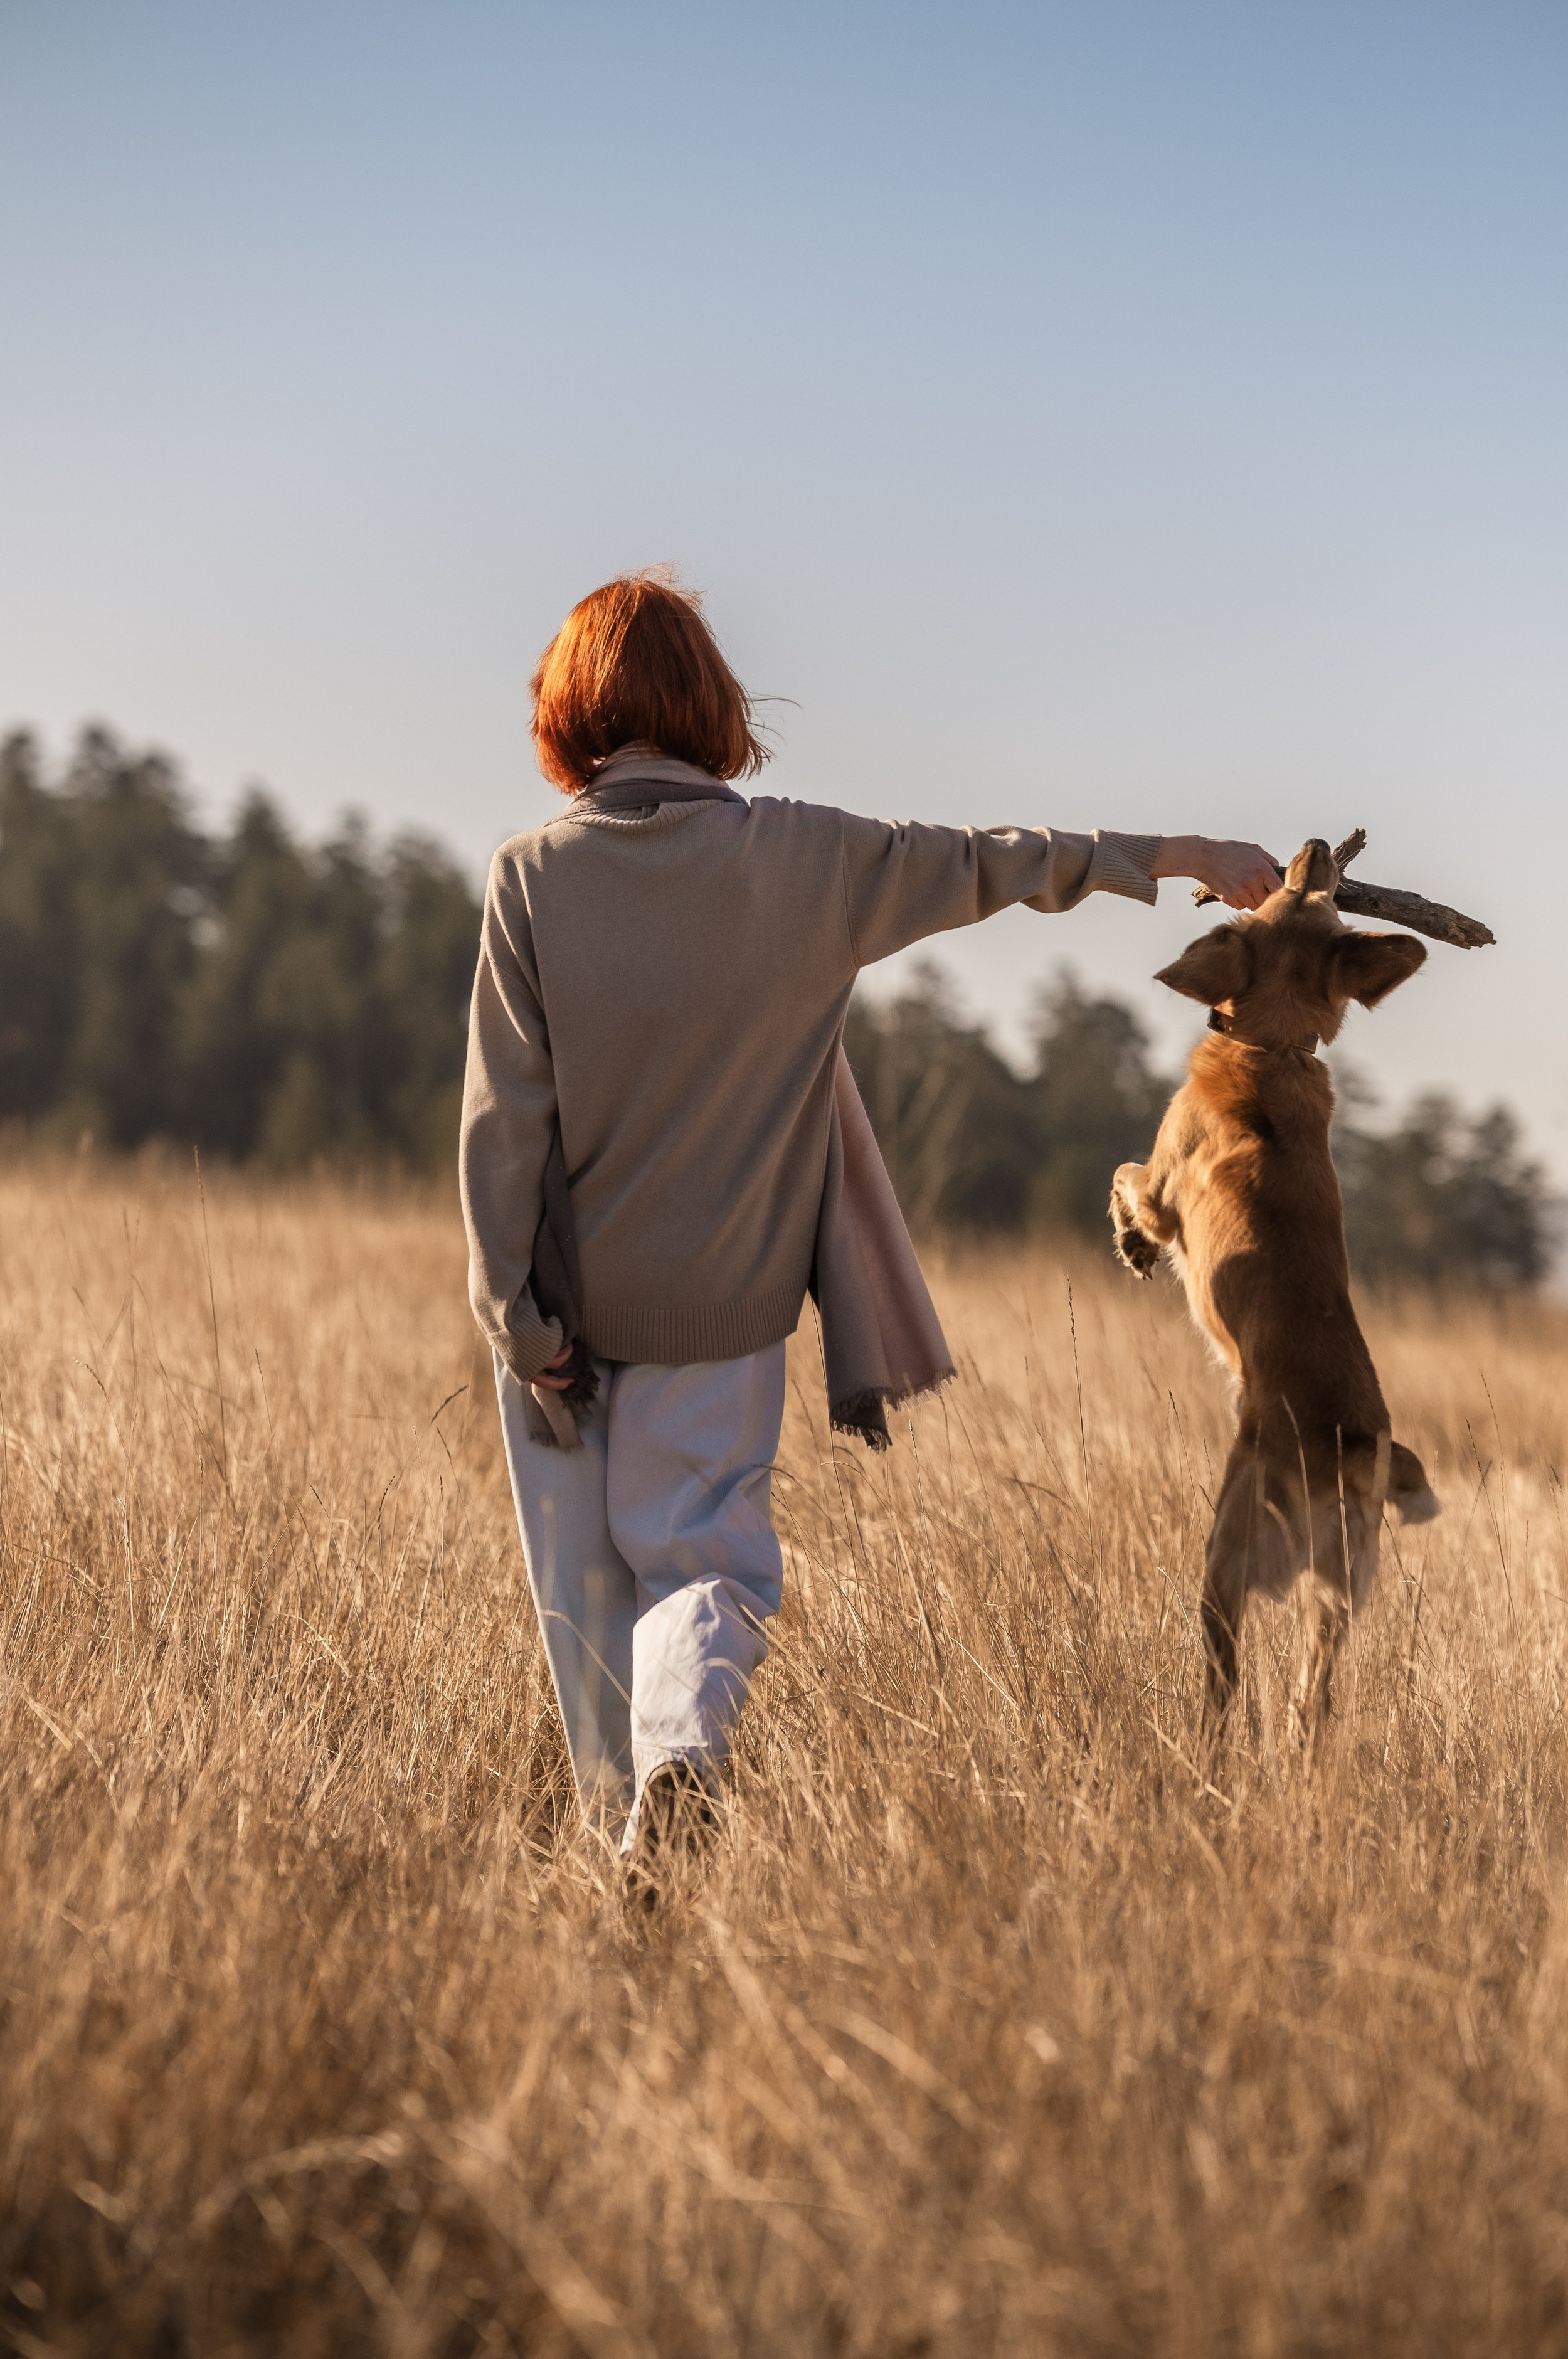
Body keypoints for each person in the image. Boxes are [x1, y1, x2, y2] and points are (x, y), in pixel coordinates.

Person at [458, 571, 1280, 1876]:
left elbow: (505, 1122)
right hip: (722, 1310)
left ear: (571, 718)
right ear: (711, 707)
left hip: (560, 1311)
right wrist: (1183, 856)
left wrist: (513, 1315)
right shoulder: (811, 858)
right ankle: (674, 1773)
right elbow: (996, 859)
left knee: (584, 1602)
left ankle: (616, 1843)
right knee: (704, 1567)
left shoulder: (527, 878)